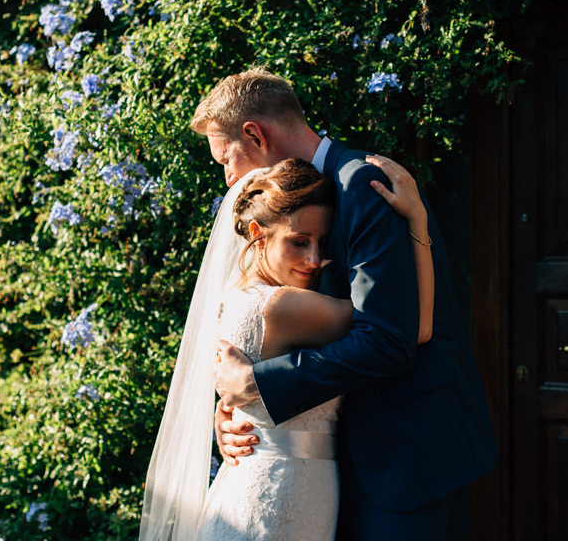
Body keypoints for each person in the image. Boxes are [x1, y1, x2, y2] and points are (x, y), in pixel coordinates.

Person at [200, 67, 498, 540]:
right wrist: (241, 415)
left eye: (225, 158)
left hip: (404, 453)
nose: (228, 176)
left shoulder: (361, 184)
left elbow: (389, 337)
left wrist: (260, 386)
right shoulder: (293, 202)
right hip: (330, 461)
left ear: (254, 134)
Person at [139, 157, 433, 541]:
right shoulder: (283, 306)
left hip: (264, 490)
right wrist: (418, 225)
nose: (314, 260)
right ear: (258, 234)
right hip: (277, 501)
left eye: (323, 243)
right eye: (298, 242)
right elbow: (413, 329)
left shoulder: (238, 297)